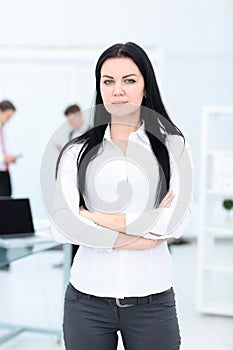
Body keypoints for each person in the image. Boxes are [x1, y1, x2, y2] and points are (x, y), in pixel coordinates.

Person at [51, 42, 194, 350]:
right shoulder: (76, 152)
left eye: (129, 80)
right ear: (99, 88)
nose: (117, 90)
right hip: (86, 303)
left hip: (152, 304)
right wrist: (145, 232)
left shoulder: (173, 148)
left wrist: (91, 216)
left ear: (145, 88)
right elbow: (63, 227)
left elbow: (175, 225)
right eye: (108, 81)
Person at [0, 100, 17, 197]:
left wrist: (11, 158)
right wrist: (3, 158)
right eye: (7, 116)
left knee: (7, 201)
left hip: (5, 173)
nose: (8, 120)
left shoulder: (4, 129)